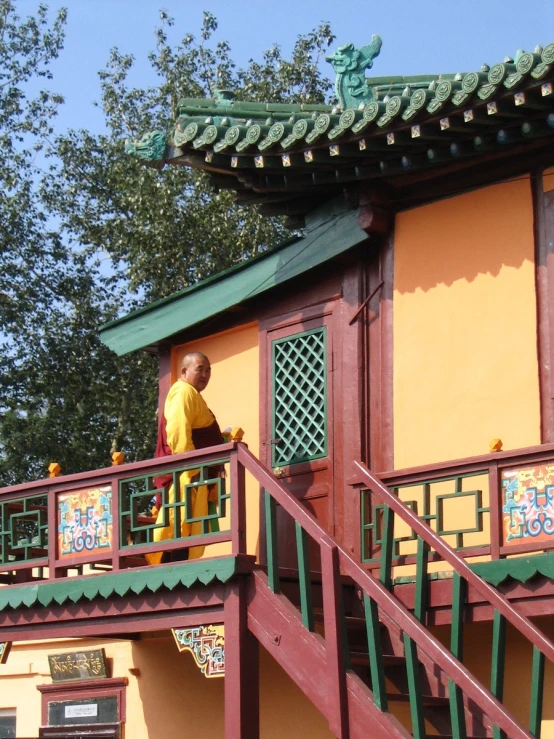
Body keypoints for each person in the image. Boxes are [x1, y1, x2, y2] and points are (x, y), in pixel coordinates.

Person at [146, 352, 223, 565]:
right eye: (200, 369)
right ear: (184, 371)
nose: (205, 375)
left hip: (193, 476)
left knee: (185, 527)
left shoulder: (191, 394)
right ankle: (171, 569)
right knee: (178, 525)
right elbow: (178, 432)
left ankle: (177, 565)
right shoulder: (183, 392)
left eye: (208, 370)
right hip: (185, 477)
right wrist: (190, 471)